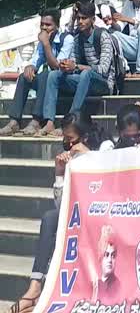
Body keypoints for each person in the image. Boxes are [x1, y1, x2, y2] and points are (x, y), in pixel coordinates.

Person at [8, 112, 102, 313]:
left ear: (84, 137)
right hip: (74, 215)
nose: (67, 144)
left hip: (98, 215)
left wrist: (86, 156)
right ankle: (34, 286)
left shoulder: (103, 150)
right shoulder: (69, 157)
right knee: (51, 217)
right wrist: (60, 174)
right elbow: (62, 205)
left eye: (70, 139)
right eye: (64, 139)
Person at [0, 9, 74, 137]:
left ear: (57, 25)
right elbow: (36, 61)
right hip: (46, 82)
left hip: (63, 81)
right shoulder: (43, 39)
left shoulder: (67, 39)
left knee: (46, 74)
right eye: (42, 24)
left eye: (48, 25)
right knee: (24, 77)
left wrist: (46, 44)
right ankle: (14, 121)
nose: (44, 28)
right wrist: (30, 67)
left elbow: (57, 68)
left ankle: (36, 121)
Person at [45, 3, 115, 131]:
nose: (80, 22)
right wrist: (66, 66)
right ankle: (49, 121)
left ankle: (69, 122)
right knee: (54, 75)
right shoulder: (77, 39)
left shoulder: (103, 36)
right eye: (78, 18)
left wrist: (76, 66)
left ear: (93, 20)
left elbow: (103, 70)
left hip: (104, 83)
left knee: (85, 74)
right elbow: (74, 64)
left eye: (84, 18)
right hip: (84, 80)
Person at [93, 225, 121, 302]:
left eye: (113, 256)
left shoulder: (116, 287)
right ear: (100, 256)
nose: (110, 260)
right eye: (106, 255)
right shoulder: (96, 283)